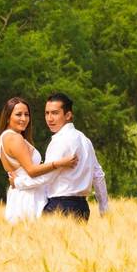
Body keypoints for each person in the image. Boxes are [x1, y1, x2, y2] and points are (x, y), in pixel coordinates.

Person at [11, 92, 109, 221]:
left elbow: (46, 177)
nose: (50, 118)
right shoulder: (85, 140)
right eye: (47, 113)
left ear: (68, 115)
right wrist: (104, 210)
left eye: (55, 113)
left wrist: (18, 182)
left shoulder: (60, 141)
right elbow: (98, 176)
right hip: (83, 208)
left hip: (60, 207)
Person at [0, 97, 77, 223]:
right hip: (29, 197)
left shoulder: (3, 137)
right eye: (18, 114)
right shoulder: (14, 138)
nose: (23, 119)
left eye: (26, 114)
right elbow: (31, 170)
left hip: (19, 194)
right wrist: (60, 163)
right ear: (7, 117)